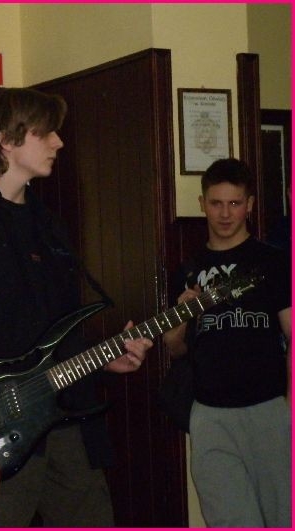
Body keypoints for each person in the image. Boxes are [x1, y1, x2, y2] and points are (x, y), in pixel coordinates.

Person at [0, 88, 152, 527]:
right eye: (45, 133)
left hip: (71, 426)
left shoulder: (49, 225)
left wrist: (106, 359)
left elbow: (55, 333)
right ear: (7, 140)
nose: (59, 142)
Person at [163, 158, 291, 527]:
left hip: (269, 409)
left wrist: (289, 407)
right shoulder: (188, 270)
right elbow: (175, 348)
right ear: (202, 204)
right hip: (210, 414)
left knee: (283, 516)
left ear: (249, 204)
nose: (225, 213)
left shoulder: (274, 261)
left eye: (234, 203)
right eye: (216, 203)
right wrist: (182, 316)